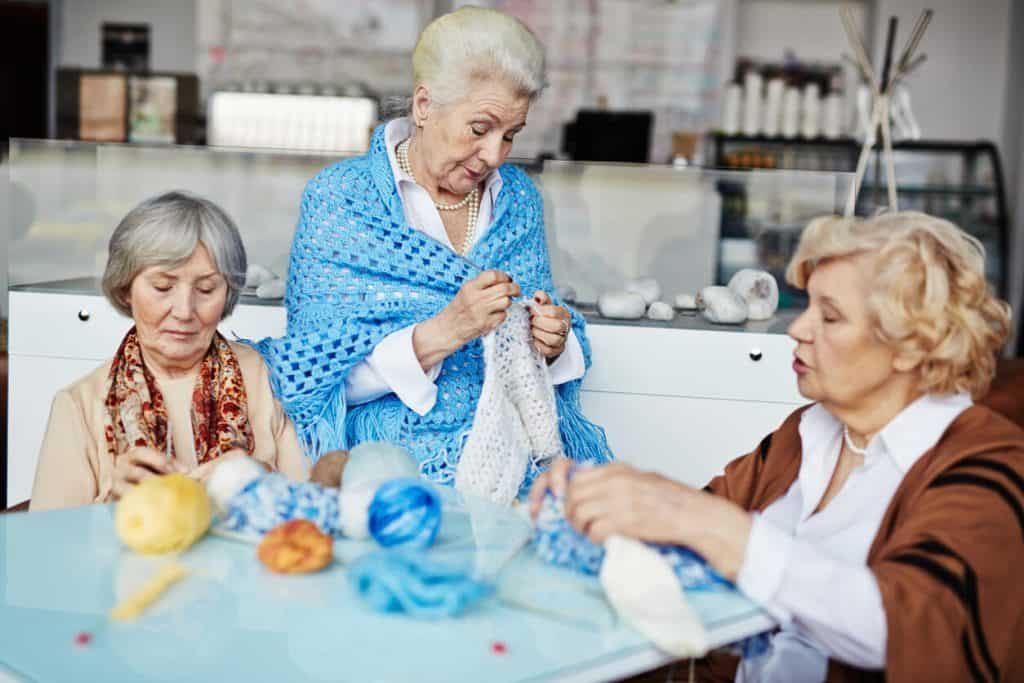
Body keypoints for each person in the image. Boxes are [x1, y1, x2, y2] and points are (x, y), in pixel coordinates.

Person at [530, 212, 1024, 682]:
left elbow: (911, 629)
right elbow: (692, 535)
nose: (798, 329)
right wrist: (597, 499)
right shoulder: (811, 430)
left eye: (829, 317)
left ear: (912, 345)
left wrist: (694, 519)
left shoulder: (990, 463)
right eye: (807, 306)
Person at [253, 6, 610, 496]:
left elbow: (529, 357)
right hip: (388, 464)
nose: (495, 155)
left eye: (511, 135)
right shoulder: (341, 200)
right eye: (479, 129)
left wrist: (550, 341)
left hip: (516, 455)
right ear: (424, 106)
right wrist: (446, 331)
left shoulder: (519, 200)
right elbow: (314, 381)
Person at [30, 191, 309, 510]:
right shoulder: (78, 405)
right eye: (163, 287)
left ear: (229, 292)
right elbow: (49, 547)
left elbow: (312, 517)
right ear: (125, 290)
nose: (184, 310)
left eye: (206, 289)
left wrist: (265, 481)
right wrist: (111, 504)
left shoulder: (266, 376)